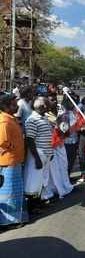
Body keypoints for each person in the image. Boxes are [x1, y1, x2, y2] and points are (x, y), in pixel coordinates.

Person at [0, 94, 28, 229]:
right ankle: (7, 222)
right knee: (9, 192)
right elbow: (2, 142)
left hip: (14, 161)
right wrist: (14, 148)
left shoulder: (10, 119)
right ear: (6, 106)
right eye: (13, 103)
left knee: (14, 191)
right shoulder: (4, 121)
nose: (17, 106)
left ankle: (14, 218)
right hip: (8, 162)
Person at [24, 97, 54, 214]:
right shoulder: (32, 119)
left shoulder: (44, 118)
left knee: (42, 180)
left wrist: (50, 153)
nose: (48, 107)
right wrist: (36, 158)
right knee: (33, 181)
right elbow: (30, 140)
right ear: (42, 106)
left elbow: (48, 137)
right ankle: (32, 206)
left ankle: (38, 202)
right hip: (38, 154)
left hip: (46, 154)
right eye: (47, 105)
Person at [42, 101, 74, 199]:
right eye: (51, 107)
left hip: (60, 145)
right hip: (50, 146)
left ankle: (63, 186)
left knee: (63, 167)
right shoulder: (45, 117)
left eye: (56, 107)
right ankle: (53, 189)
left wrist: (62, 128)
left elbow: (66, 132)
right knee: (52, 170)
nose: (54, 108)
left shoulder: (62, 116)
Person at [60, 94, 80, 177]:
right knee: (66, 162)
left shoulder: (74, 112)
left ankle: (67, 177)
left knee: (71, 161)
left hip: (74, 141)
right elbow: (63, 129)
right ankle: (65, 179)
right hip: (66, 142)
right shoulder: (64, 114)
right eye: (72, 102)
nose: (74, 103)